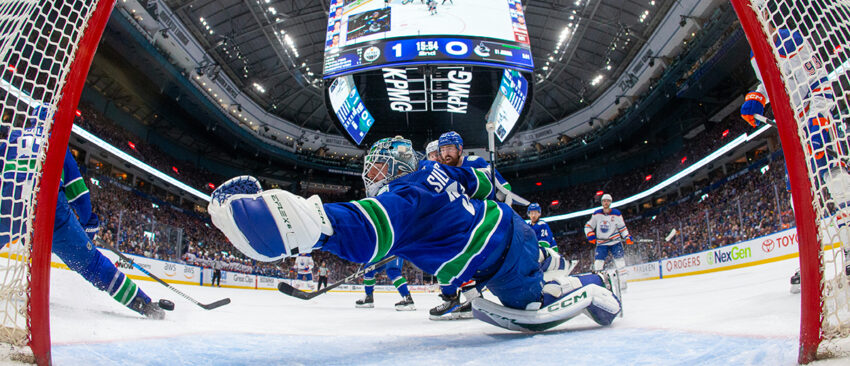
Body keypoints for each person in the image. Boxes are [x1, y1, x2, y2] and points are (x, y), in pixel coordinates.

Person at [208, 136, 621, 331]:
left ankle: (590, 283)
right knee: (536, 261)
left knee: (531, 305)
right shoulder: (433, 170)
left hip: (498, 261)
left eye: (374, 169)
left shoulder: (403, 196)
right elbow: (480, 181)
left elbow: (361, 228)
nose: (371, 178)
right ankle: (558, 267)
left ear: (392, 166)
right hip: (508, 229)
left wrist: (295, 222)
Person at [1, 112, 167, 319]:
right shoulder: (57, 143)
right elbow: (79, 194)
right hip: (51, 213)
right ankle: (144, 305)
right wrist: (88, 223)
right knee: (93, 264)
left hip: (9, 205)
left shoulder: (12, 139)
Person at [740, 0, 850, 293]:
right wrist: (756, 96)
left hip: (816, 121)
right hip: (793, 132)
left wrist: (816, 116)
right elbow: (772, 84)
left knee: (836, 180)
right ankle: (811, 262)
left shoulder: (792, 39)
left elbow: (818, 80)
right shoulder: (756, 52)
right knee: (797, 196)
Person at [584, 194, 633, 290]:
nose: (606, 203)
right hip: (602, 244)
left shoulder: (617, 213)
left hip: (615, 242)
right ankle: (599, 284)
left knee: (620, 262)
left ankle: (623, 282)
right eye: (604, 201)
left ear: (610, 202)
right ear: (602, 202)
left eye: (608, 201)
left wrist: (627, 236)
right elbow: (588, 226)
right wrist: (590, 234)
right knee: (598, 264)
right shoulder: (597, 214)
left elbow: (622, 228)